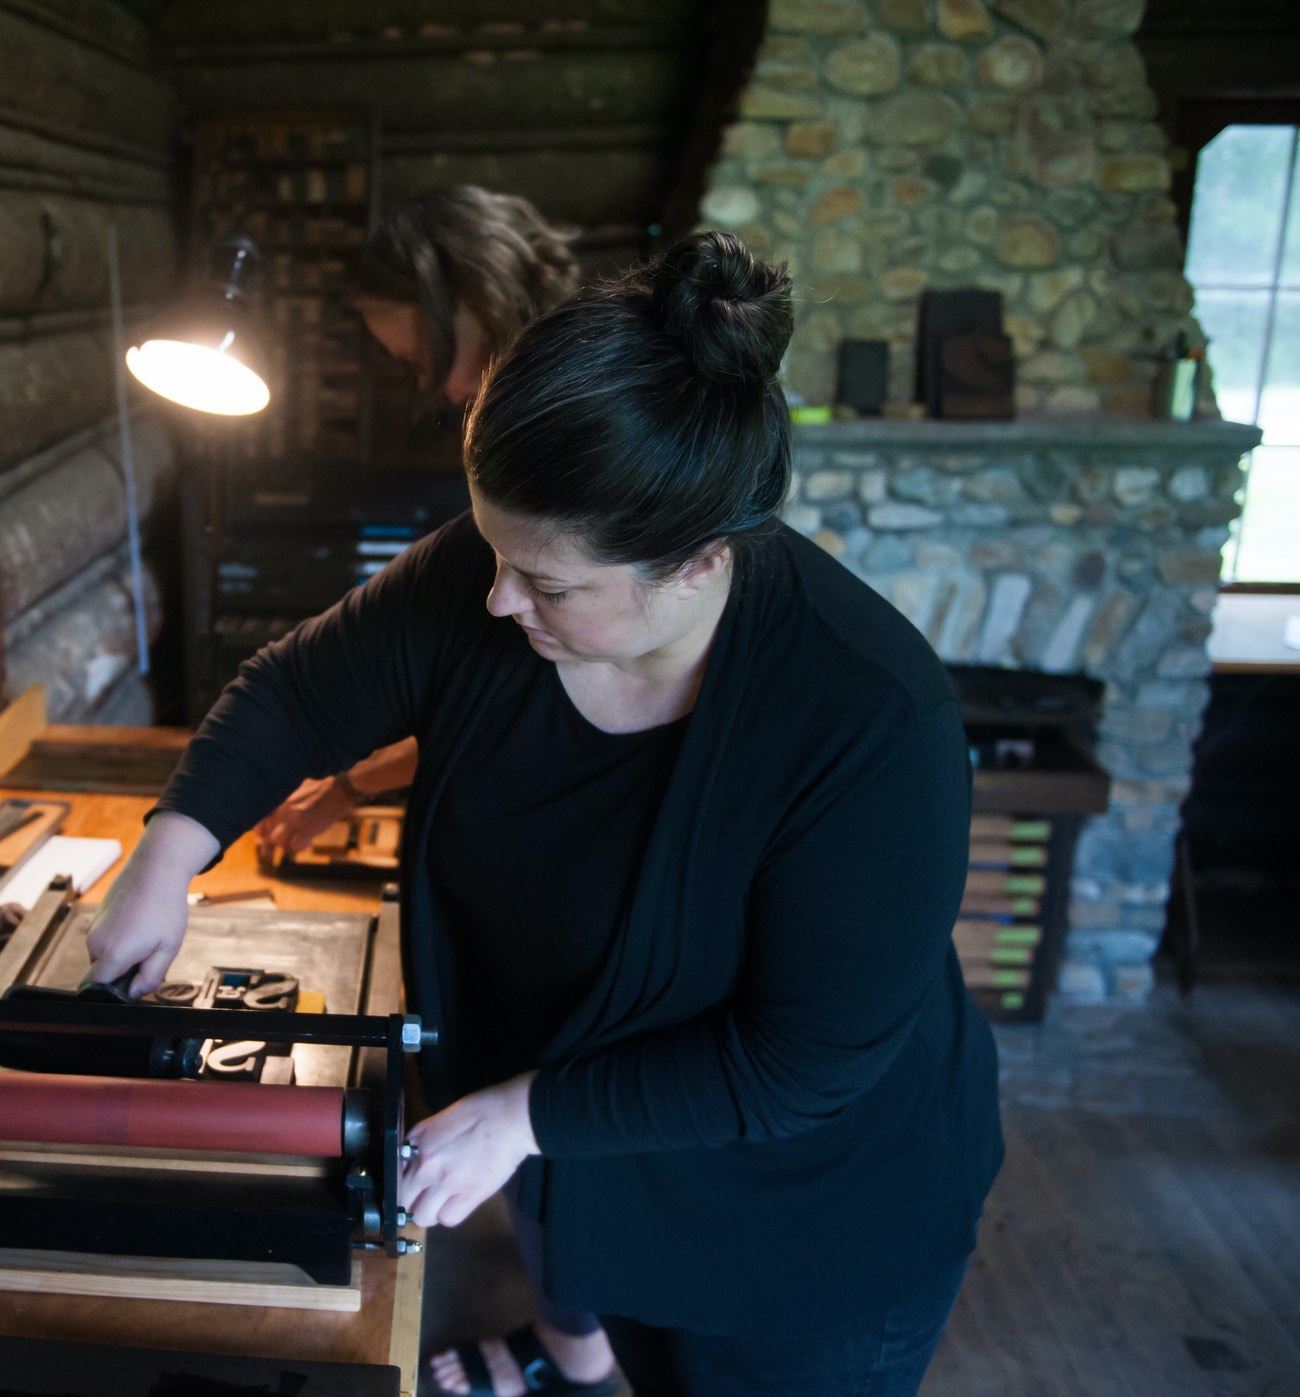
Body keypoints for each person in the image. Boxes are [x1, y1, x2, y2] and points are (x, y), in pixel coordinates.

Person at [89, 233, 1003, 1397]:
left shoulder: (870, 721)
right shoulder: (497, 573)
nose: (496, 596)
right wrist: (169, 854)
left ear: (696, 562)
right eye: (495, 547)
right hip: (600, 1163)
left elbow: (795, 1061)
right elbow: (302, 691)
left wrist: (528, 1112)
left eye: (549, 583)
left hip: (810, 1224)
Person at [256, 185, 580, 860]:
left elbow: (515, 699)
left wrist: (348, 786)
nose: (443, 389)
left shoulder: (573, 445)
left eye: (423, 359)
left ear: (476, 296)